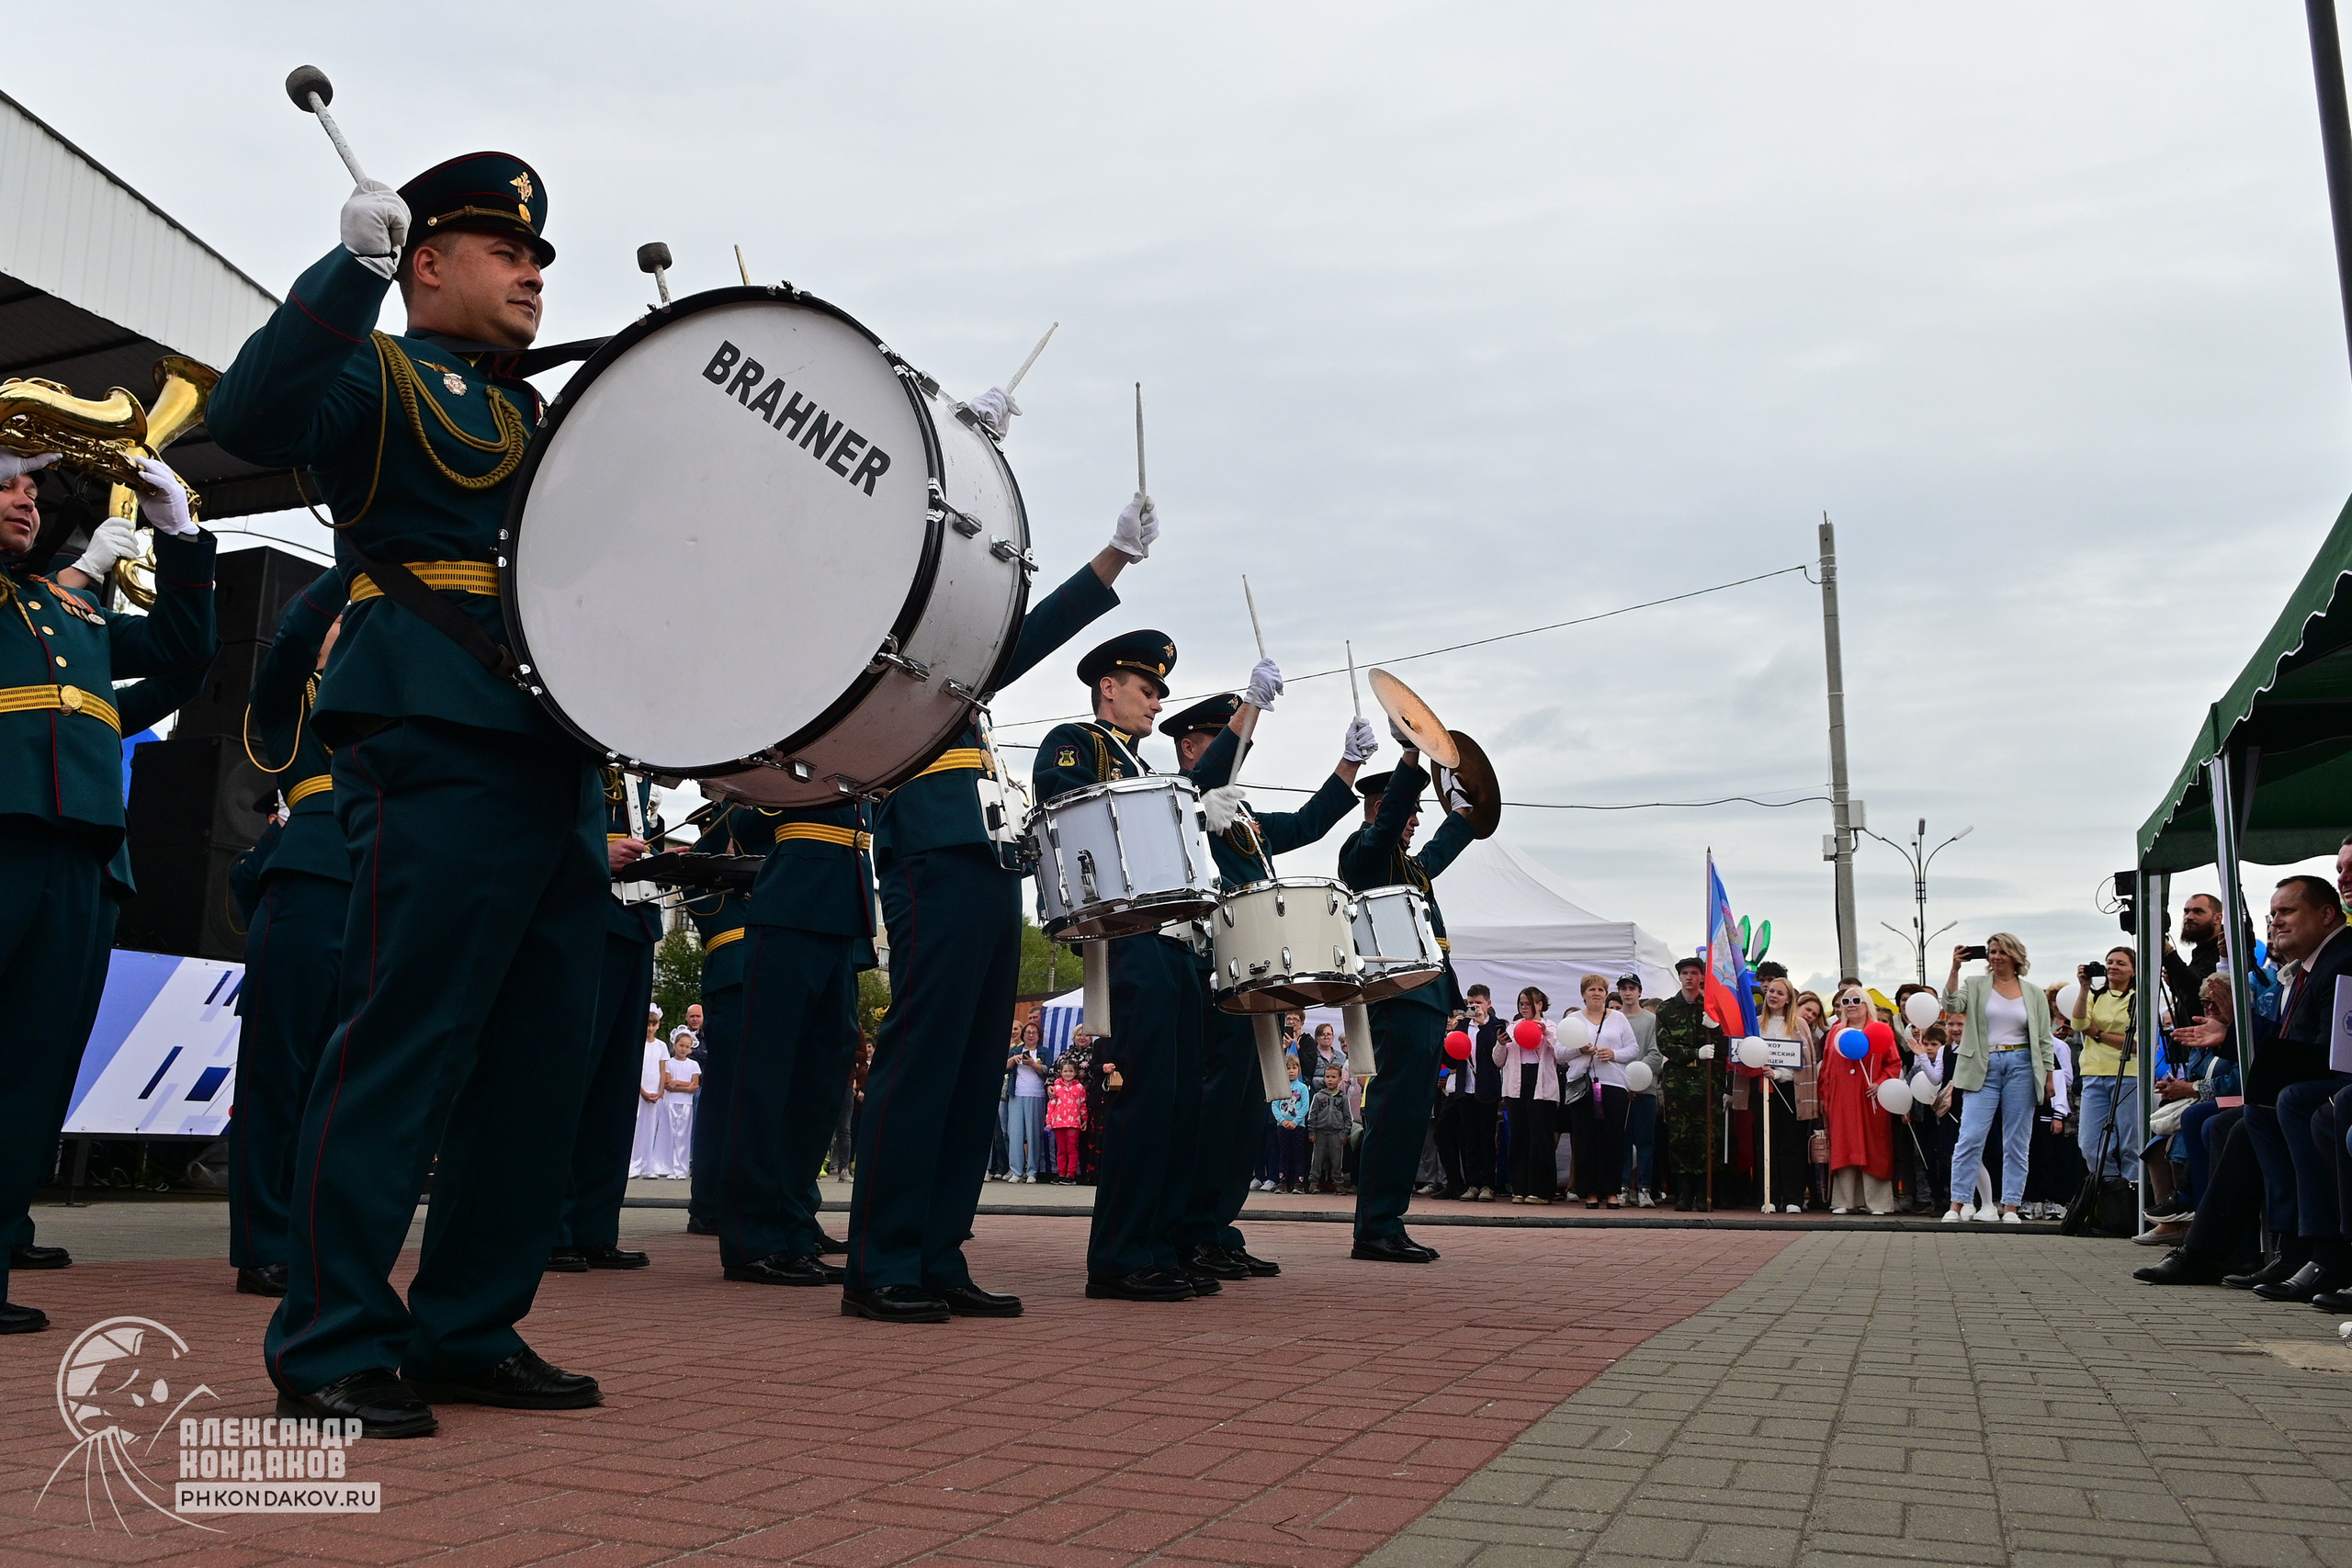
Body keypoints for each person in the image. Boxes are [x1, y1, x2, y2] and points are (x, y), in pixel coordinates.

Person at [208, 154, 609, 1434]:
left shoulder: (546, 418)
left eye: (538, 254)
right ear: (428, 262)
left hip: (556, 740)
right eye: (506, 250)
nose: (533, 270)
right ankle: (331, 1335)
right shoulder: (376, 372)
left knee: (541, 1056)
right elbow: (254, 417)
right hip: (437, 723)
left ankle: (467, 1324)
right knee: (405, 1037)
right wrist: (347, 273)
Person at [845, 493, 1144, 1325]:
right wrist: (1106, 564)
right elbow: (1020, 641)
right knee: (924, 1057)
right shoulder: (875, 631)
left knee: (973, 1071)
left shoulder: (944, 652)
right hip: (927, 842)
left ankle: (938, 1251)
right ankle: (881, 1260)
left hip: (983, 852)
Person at [0, 446, 218, 1336]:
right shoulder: (38, 596)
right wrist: (82, 572)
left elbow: (180, 654)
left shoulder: (69, 612)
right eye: (3, 484)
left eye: (26, 488)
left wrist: (181, 539)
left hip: (83, 858)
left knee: (33, 1069)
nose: (21, 500)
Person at [1029, 630, 1260, 1301]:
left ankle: (1160, 1245)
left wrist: (1252, 709)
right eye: (1147, 688)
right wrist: (1187, 802)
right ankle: (1122, 1254)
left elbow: (1198, 784)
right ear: (1109, 686)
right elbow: (1065, 801)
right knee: (1146, 1100)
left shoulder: (1138, 764)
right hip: (1131, 935)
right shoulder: (1078, 740)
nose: (1157, 702)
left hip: (1179, 944)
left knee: (1182, 1103)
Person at [1166, 692, 1371, 1280]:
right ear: (1191, 747)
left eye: (1243, 743)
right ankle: (1191, 1228)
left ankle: (1218, 1225)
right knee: (1215, 1108)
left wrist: (1347, 765)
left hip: (1258, 974)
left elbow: (1307, 824)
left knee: (1247, 1111)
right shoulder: (1177, 805)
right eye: (1226, 740)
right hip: (1213, 970)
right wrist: (1200, 812)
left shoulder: (1242, 815)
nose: (1239, 753)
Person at [2137, 875, 2352, 1291]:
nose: (2276, 923)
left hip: (2330, 1090)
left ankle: (2309, 1248)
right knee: (2226, 1123)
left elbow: (2328, 1053)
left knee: (2277, 1106)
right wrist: (2234, 1034)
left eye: (2287, 912)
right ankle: (2217, 1251)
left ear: (2327, 915)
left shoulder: (2342, 960)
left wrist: (2240, 1026)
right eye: (2273, 915)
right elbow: (2296, 1046)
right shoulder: (2311, 967)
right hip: (2312, 1086)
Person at [227, 572, 350, 1300]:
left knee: (342, 1083)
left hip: (378, 889)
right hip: (307, 883)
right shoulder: (292, 701)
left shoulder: (386, 698)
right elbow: (291, 645)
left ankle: (315, 1236)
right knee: (280, 1077)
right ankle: (263, 1242)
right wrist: (354, 565)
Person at [1336, 751, 1479, 1259]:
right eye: (1411, 810)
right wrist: (1410, 765)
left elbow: (1435, 855)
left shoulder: (1408, 865)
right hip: (1397, 995)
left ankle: (1387, 1220)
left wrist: (1464, 816)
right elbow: (1383, 829)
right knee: (1393, 1111)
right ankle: (1374, 1226)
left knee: (1412, 1112)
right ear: (1384, 807)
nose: (1417, 820)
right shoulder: (1364, 850)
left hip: (1426, 994)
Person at [549, 771, 657, 1273]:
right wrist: (595, 850)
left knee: (615, 1090)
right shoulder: (583, 730)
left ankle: (596, 1227)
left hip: (637, 919)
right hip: (585, 909)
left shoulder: (641, 763)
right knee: (571, 1078)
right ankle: (552, 1228)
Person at [678, 803, 773, 1237]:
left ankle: (747, 1198)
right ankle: (709, 1204)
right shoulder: (704, 886)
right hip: (731, 989)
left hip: (764, 983)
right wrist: (724, 816)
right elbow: (705, 856)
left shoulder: (759, 883)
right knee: (723, 1101)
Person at [1939, 935, 2056, 1224]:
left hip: (2021, 1064)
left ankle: (2012, 1206)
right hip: (1983, 1064)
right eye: (1992, 952)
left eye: (2002, 951)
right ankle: (1957, 1204)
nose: (1996, 957)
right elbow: (1951, 1002)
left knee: (2017, 1140)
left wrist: (2049, 1076)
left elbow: (2043, 1039)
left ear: (2015, 955)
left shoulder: (2033, 992)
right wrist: (1955, 968)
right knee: (1970, 1136)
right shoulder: (1977, 985)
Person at [1818, 982, 1903, 1214]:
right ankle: (1845, 1201)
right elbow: (1826, 1067)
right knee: (1844, 1146)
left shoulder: (1879, 1030)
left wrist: (1882, 1083)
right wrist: (1824, 1097)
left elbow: (1893, 1063)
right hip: (1842, 1100)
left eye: (1857, 1001)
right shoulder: (1835, 1032)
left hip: (1871, 1099)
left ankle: (1878, 1203)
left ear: (1867, 1005)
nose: (1851, 1005)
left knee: (1874, 1146)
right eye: (1846, 1001)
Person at [1561, 976, 1640, 1208]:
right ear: (1583, 994)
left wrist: (1613, 1054)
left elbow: (1633, 1049)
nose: (1596, 993)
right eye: (1591, 989)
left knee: (1612, 1139)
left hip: (1613, 1085)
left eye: (1600, 989)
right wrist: (1580, 1049)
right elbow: (1558, 1053)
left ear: (1606, 994)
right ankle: (1590, 1191)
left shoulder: (1619, 1018)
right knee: (1586, 1139)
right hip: (1582, 1086)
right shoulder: (1573, 1019)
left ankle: (1612, 1191)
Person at [1652, 957, 1724, 1211]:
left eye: (1694, 973)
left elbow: (1726, 1048)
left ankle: (1704, 1194)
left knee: (1706, 1139)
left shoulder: (1713, 1008)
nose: (1689, 977)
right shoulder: (1667, 1009)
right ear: (1679, 977)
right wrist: (1695, 1054)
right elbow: (1665, 1045)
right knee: (1680, 1138)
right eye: (1685, 973)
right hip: (1679, 1082)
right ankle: (1683, 1193)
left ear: (1702, 977)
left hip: (1707, 1082)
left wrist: (1715, 1028)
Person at [2070, 946, 2141, 1192]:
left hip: (2129, 1075)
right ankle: (2108, 1193)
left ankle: (2133, 1194)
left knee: (2131, 1143)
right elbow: (2078, 1023)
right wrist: (2083, 987)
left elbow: (2137, 1045)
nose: (2113, 967)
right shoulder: (2096, 995)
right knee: (2090, 1143)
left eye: (2121, 963)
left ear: (2133, 969)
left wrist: (2098, 1034)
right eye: (2109, 962)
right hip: (2093, 1073)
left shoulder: (2138, 998)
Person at [1747, 976, 1814, 1213]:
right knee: (1766, 1143)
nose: (1774, 996)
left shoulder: (1799, 1025)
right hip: (1762, 1088)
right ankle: (1769, 1196)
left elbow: (1805, 1061)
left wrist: (1780, 1073)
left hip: (1789, 1089)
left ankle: (1793, 1197)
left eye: (1780, 993)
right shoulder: (1756, 1023)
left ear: (1788, 999)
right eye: (1771, 991)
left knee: (1791, 1144)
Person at [1493, 989, 1566, 1205]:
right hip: (1516, 1085)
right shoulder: (1513, 1028)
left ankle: (1542, 1190)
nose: (1524, 1007)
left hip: (1541, 1086)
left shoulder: (1551, 1027)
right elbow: (1498, 1061)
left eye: (1528, 1003)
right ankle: (1520, 1188)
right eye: (1521, 1003)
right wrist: (1500, 1043)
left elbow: (1561, 1055)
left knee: (1540, 1138)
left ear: (1540, 1005)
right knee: (1518, 1137)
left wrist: (1546, 1034)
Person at [1615, 976, 1664, 1207]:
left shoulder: (1652, 1020)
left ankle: (1645, 1188)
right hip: (1619, 1089)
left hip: (1646, 1089)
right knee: (1622, 1141)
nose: (1627, 993)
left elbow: (1656, 1053)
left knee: (1646, 1141)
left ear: (1639, 992)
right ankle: (1623, 1187)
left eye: (1632, 988)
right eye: (1623, 988)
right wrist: (1624, 1081)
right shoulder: (1613, 1019)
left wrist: (1638, 1078)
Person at [649, 1030, 700, 1178]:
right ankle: (664, 1166)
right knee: (667, 1134)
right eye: (681, 1045)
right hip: (669, 1103)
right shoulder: (669, 1063)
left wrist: (678, 1083)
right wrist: (684, 1085)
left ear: (691, 1049)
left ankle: (680, 1168)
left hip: (686, 1105)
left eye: (686, 1046)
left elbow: (694, 1086)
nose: (683, 1049)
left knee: (682, 1136)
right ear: (675, 1045)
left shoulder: (694, 1065)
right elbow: (668, 1084)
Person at [1003, 1024, 1048, 1185]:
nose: (1031, 1035)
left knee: (1033, 1134)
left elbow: (1048, 1070)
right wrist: (1013, 1060)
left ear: (1039, 1035)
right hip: (1016, 1095)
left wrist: (1032, 1064)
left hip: (1036, 1095)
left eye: (1034, 1033)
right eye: (1028, 1032)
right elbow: (1005, 1067)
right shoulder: (1016, 1050)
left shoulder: (1044, 1051)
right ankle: (1016, 1171)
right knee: (1014, 1134)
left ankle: (1032, 1171)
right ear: (1023, 1035)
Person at [628, 1010, 667, 1179]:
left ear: (658, 1026)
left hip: (655, 1092)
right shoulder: (637, 1044)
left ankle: (647, 1165)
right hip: (640, 1091)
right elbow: (635, 1068)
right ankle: (632, 1165)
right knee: (636, 1128)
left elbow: (663, 1069)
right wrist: (642, 1091)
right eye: (648, 1024)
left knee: (651, 1129)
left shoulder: (661, 1046)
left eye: (653, 1025)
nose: (650, 1028)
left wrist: (660, 1091)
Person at [1306, 1063, 1352, 1192]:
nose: (1330, 1080)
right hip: (1320, 1132)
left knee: (1336, 1160)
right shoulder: (1319, 1096)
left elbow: (1348, 1118)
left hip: (1336, 1134)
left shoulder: (1343, 1098)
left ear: (1340, 1079)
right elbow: (1312, 1115)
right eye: (1327, 1077)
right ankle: (1313, 1183)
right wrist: (1311, 1131)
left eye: (1333, 1077)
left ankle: (1338, 1184)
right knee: (1317, 1159)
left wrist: (1345, 1134)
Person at [1046, 1057, 1089, 1182]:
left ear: (1075, 1073)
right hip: (1058, 1123)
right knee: (1061, 1150)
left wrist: (1084, 1119)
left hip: (1074, 1124)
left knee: (1072, 1149)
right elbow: (1051, 1105)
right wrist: (1049, 1122)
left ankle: (1071, 1174)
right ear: (1061, 1072)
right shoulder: (1056, 1087)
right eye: (1065, 1071)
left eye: (1071, 1071)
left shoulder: (1079, 1087)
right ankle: (1061, 1173)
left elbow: (1083, 1104)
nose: (1068, 1074)